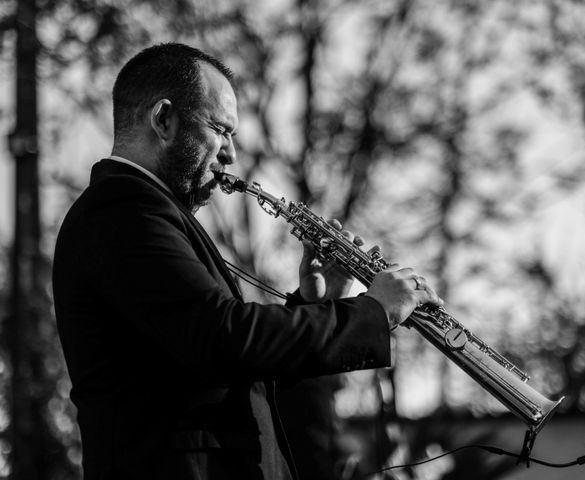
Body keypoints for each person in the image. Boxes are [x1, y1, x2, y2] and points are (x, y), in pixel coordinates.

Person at [52, 42, 441, 480]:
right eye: (221, 129)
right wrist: (372, 313)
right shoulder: (121, 208)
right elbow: (223, 337)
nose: (231, 154)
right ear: (163, 119)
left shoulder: (142, 211)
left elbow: (231, 371)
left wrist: (317, 307)